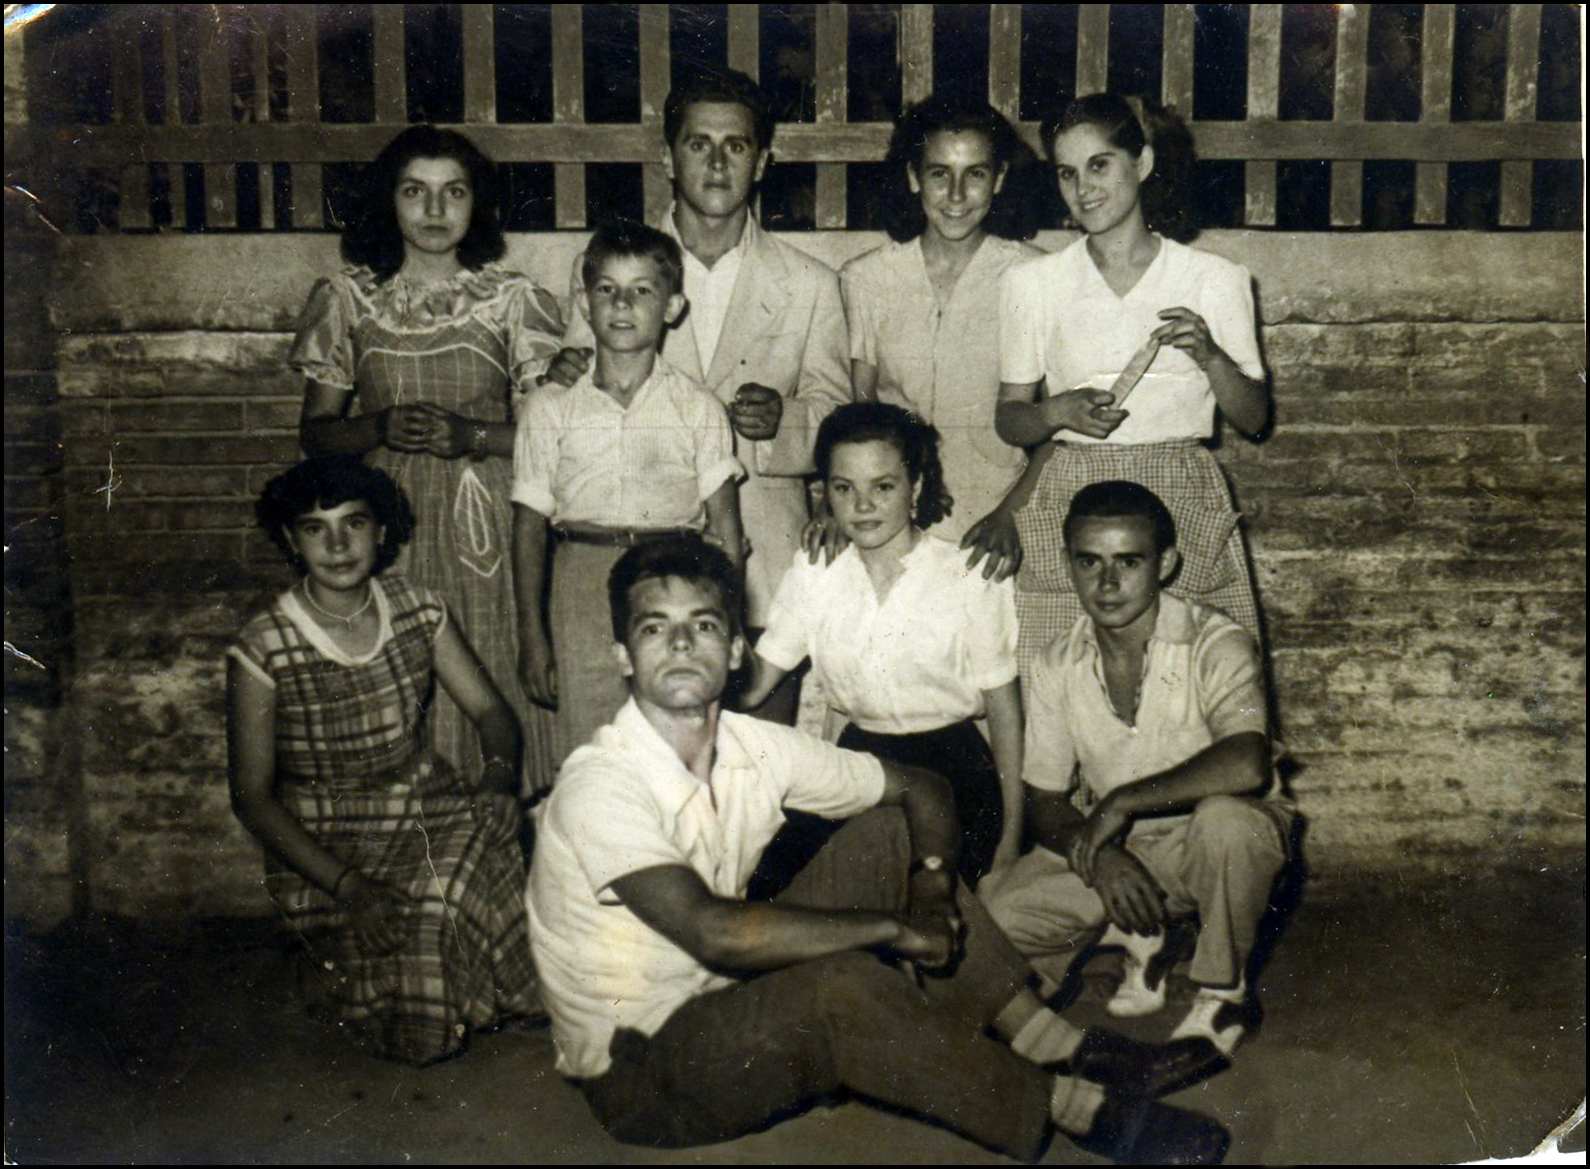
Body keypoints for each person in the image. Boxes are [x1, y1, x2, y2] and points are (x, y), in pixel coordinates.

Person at [527, 536, 1232, 1163]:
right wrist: (895, 928)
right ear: (622, 656)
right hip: (644, 1074)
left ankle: (1055, 1041)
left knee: (887, 836)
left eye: (703, 624)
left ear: (737, 649)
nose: (682, 644)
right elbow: (716, 931)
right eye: (655, 628)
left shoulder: (750, 744)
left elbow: (920, 787)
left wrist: (929, 885)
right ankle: (1071, 1106)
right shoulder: (601, 783)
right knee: (841, 986)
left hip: (725, 996)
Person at [545, 66, 851, 724]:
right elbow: (569, 398)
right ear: (667, 157)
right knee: (633, 765)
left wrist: (786, 420)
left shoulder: (810, 284)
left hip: (760, 562)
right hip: (636, 559)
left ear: (761, 162)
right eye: (698, 144)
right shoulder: (610, 269)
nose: (716, 164)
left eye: (735, 146)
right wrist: (557, 374)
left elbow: (839, 425)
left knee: (753, 763)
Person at [227, 457, 540, 1066]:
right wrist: (350, 888)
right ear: (291, 540)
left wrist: (498, 781)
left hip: (421, 807)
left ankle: (482, 986)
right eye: (315, 529)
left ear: (383, 531)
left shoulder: (417, 608)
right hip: (327, 841)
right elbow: (252, 798)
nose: (338, 546)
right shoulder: (264, 643)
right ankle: (352, 965)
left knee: (488, 833)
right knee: (406, 960)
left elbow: (491, 712)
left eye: (354, 523)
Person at [291, 125, 565, 796]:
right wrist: (377, 426)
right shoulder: (348, 298)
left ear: (477, 204)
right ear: (389, 200)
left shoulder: (511, 300)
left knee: (491, 666)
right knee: (402, 674)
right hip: (389, 527)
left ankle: (502, 829)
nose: (436, 210)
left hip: (487, 526)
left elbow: (553, 434)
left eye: (454, 192)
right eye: (415, 192)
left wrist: (473, 435)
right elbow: (315, 435)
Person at [981, 482, 1295, 1057]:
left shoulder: (1217, 641)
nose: (1107, 584)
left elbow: (1248, 761)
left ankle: (1222, 992)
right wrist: (1101, 855)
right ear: (1068, 564)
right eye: (1089, 562)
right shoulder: (1055, 661)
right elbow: (1044, 799)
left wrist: (1120, 803)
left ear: (1165, 563)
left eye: (1128, 562)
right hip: (1126, 849)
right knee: (1000, 914)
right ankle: (1144, 937)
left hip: (1206, 846)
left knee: (1229, 824)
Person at [988, 93, 1269, 672]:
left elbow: (1255, 417)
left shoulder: (1214, 278)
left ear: (1142, 164)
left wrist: (1212, 357)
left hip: (1179, 493)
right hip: (1071, 493)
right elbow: (1011, 417)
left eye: (1100, 165)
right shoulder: (1032, 283)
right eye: (1067, 172)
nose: (1083, 188)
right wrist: (1057, 411)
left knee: (1196, 680)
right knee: (1064, 680)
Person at [742, 403, 1021, 889]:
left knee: (921, 895)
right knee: (771, 883)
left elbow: (1004, 712)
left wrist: (1013, 835)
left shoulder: (968, 573)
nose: (863, 505)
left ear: (916, 487)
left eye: (883, 487)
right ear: (825, 493)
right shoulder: (816, 571)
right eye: (844, 488)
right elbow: (756, 682)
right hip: (861, 760)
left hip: (954, 766)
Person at [511, 220, 743, 766]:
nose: (621, 304)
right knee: (589, 747)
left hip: (673, 581)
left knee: (676, 740)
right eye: (606, 289)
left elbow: (727, 530)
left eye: (642, 290)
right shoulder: (549, 407)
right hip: (580, 584)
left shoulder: (698, 408)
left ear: (672, 307)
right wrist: (533, 636)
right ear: (584, 302)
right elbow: (528, 530)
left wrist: (727, 624)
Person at [836, 93, 1048, 568]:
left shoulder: (1034, 277)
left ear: (999, 179)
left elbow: (1061, 425)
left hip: (998, 528)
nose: (955, 196)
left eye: (975, 174)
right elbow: (861, 416)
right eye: (938, 174)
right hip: (894, 528)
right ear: (914, 177)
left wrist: (1011, 515)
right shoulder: (866, 279)